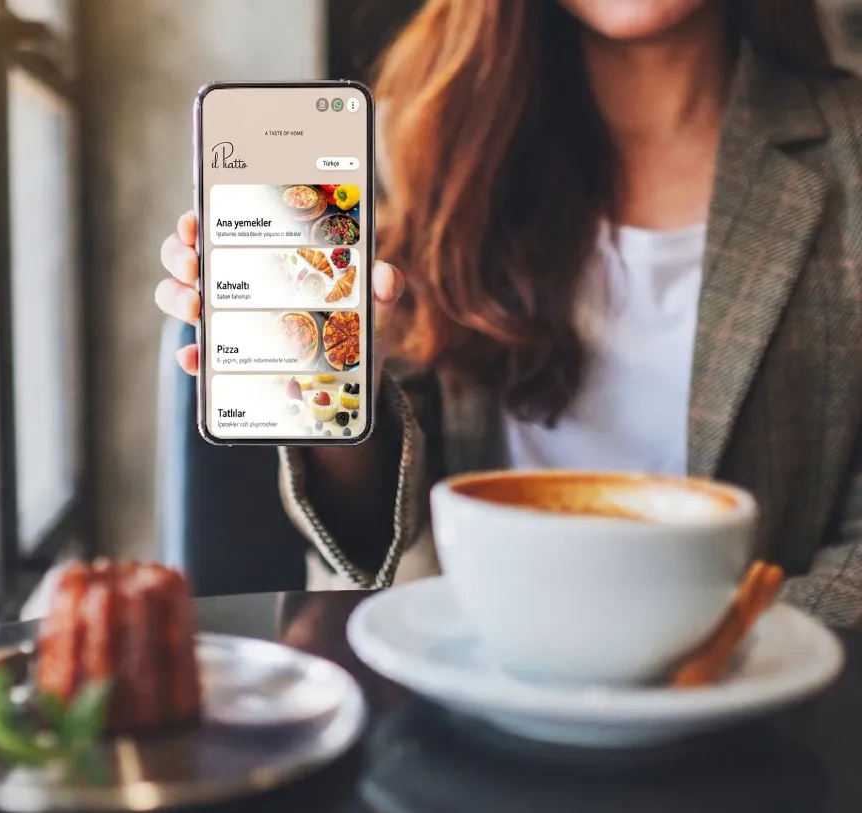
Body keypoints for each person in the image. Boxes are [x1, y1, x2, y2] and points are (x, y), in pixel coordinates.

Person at [157, 0, 862, 627]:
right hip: (482, 699)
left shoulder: (847, 155)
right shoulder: (427, 148)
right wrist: (348, 391)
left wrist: (716, 650)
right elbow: (374, 526)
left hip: (760, 718)